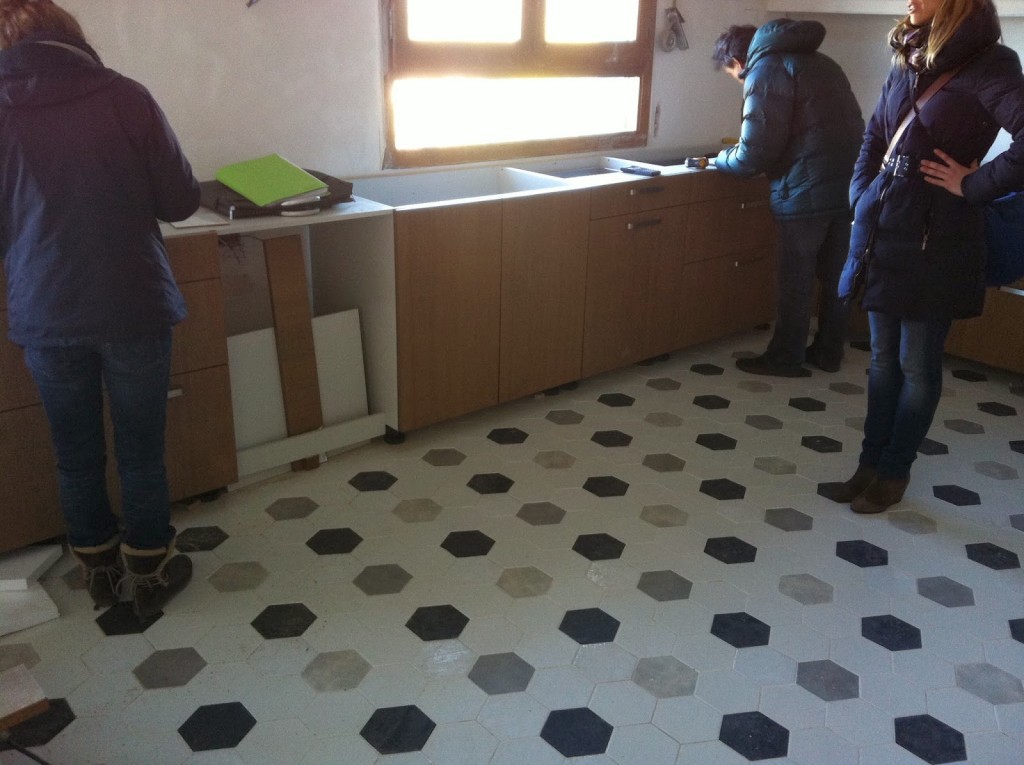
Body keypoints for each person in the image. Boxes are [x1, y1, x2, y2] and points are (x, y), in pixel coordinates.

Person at [0, 0, 199, 616]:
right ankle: (149, 570)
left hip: (47, 310)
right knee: (141, 450)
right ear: (71, 35)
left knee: (75, 454)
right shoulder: (124, 96)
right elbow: (180, 201)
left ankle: (98, 571)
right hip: (133, 303)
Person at [833, 0, 1024, 513]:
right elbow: (876, 133)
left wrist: (974, 184)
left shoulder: (991, 63)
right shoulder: (908, 55)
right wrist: (861, 193)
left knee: (916, 365)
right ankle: (868, 464)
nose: (910, 0)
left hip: (938, 239)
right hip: (883, 227)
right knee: (880, 360)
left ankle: (893, 473)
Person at [711, 20, 865, 377]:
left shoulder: (765, 70)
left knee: (796, 279)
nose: (740, 81)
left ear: (738, 61)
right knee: (836, 276)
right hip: (849, 187)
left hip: (803, 192)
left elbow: (755, 153)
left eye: (735, 76)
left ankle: (785, 358)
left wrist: (719, 160)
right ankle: (828, 353)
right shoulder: (824, 63)